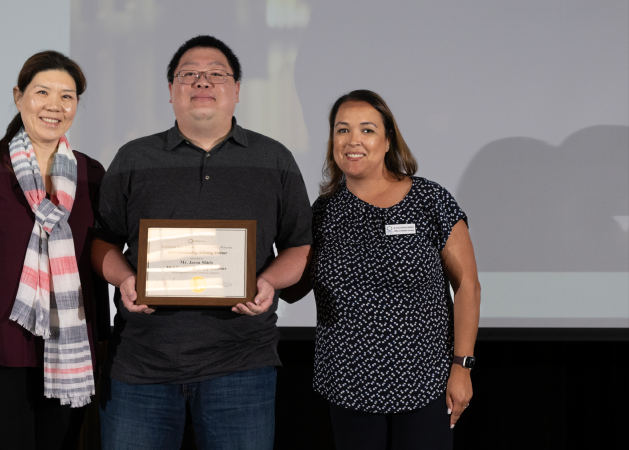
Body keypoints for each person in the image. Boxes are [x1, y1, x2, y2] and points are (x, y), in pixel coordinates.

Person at [92, 35, 313, 450]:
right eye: (188, 74)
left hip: (242, 363)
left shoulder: (274, 158)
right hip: (141, 364)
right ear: (170, 91)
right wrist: (123, 279)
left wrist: (268, 282)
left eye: (216, 74)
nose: (202, 82)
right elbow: (102, 241)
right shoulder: (134, 158)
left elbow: (300, 246)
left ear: (237, 90)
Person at [0, 50, 109, 450]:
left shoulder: (91, 174)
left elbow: (95, 260)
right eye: (42, 93)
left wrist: (101, 341)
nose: (55, 106)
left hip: (71, 346)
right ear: (18, 97)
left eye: (67, 96)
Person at [309, 89, 480, 449]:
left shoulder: (430, 200)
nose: (353, 140)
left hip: (425, 381)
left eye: (367, 130)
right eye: (342, 130)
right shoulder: (323, 211)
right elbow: (298, 281)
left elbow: (468, 286)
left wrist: (462, 365)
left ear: (388, 141)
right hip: (347, 383)